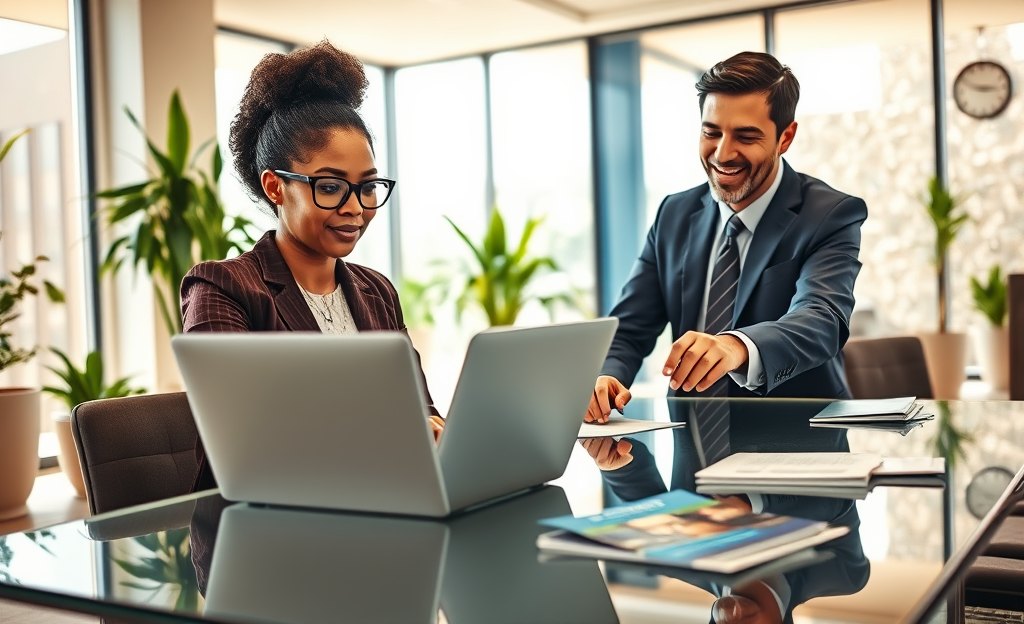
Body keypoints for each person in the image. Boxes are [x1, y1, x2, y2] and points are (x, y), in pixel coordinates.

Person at [180, 41, 442, 492]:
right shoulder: (223, 287)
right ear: (276, 187)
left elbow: (419, 410)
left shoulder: (376, 291)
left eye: (367, 187)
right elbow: (242, 441)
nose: (355, 207)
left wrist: (435, 429)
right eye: (330, 186)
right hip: (263, 535)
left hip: (380, 512)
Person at [586, 51, 867, 429]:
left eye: (746, 136)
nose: (722, 153)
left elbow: (822, 319)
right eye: (711, 132)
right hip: (692, 449)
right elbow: (631, 327)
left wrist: (735, 346)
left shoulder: (830, 215)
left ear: (785, 137)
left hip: (798, 449)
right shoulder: (674, 214)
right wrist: (606, 377)